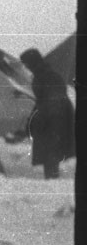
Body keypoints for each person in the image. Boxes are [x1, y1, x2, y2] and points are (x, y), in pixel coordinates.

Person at [19, 48, 75, 179]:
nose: (26, 67)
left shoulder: (49, 76)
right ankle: (50, 178)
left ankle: (52, 181)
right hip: (48, 115)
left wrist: (40, 117)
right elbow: (41, 99)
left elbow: (53, 99)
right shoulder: (41, 75)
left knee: (51, 151)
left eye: (27, 64)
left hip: (56, 117)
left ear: (33, 62)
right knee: (47, 151)